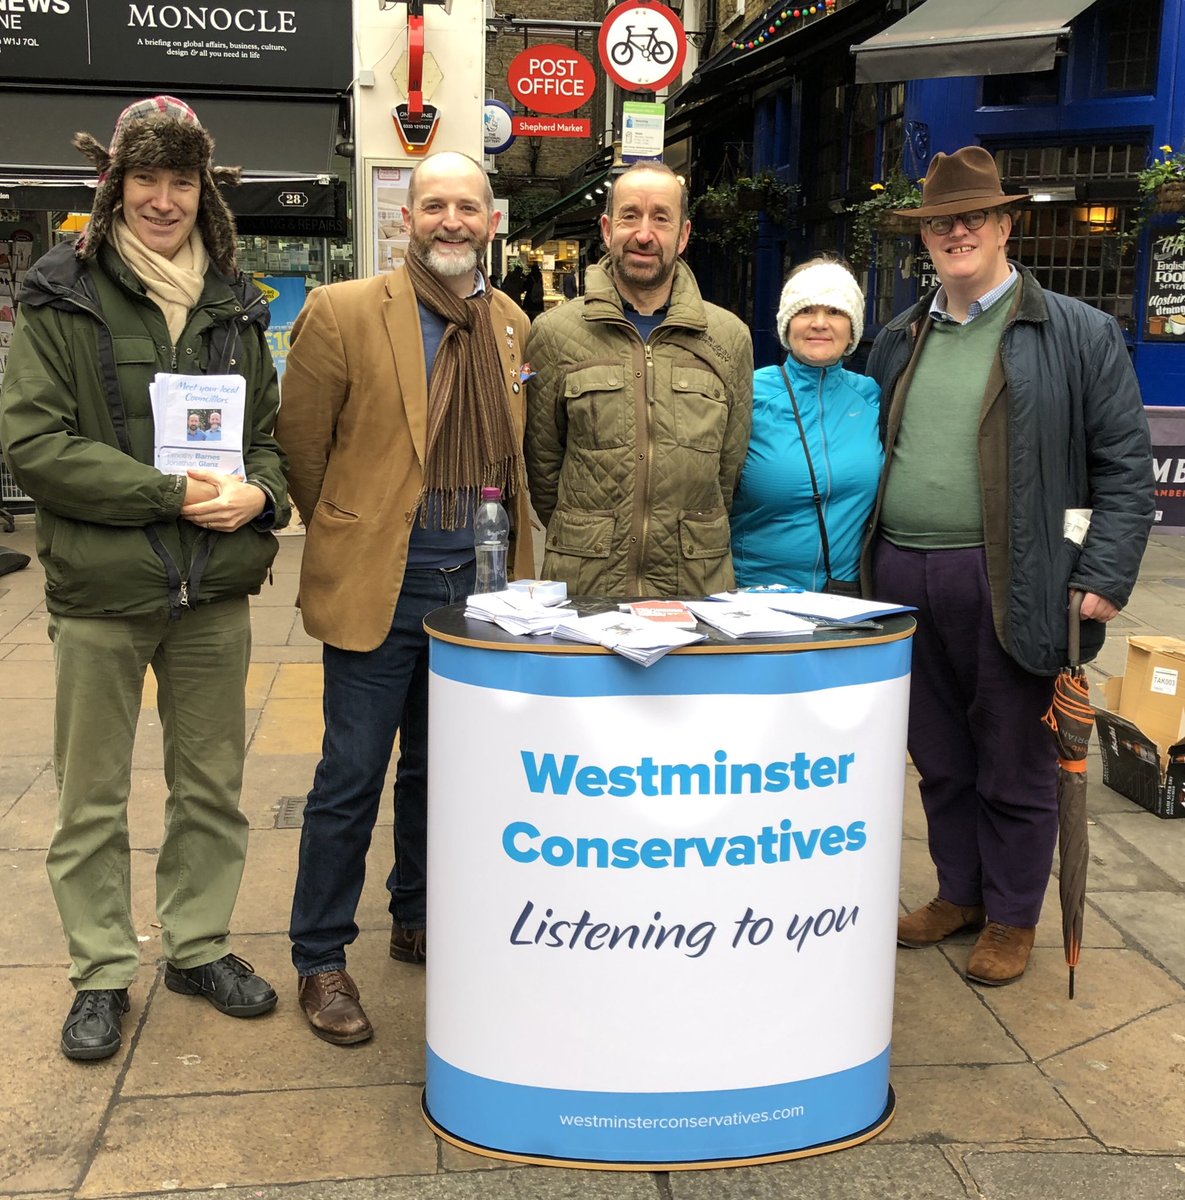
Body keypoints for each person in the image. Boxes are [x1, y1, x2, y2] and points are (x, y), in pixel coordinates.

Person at [0, 95, 289, 1061]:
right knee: (91, 796)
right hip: (104, 590)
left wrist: (262, 499)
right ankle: (100, 972)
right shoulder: (62, 293)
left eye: (181, 180)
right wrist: (166, 493)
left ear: (203, 189)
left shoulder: (239, 304)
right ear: (114, 184)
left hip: (211, 592)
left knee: (211, 786)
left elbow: (267, 443)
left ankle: (198, 946)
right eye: (146, 179)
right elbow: (35, 444)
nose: (164, 199)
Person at [863, 146, 1155, 985]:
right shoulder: (900, 335)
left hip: (1015, 575)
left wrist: (1101, 573)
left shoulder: (1077, 331)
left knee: (1015, 758)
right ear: (924, 237)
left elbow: (1123, 466)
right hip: (903, 577)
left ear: (1003, 225)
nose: (956, 232)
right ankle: (961, 892)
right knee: (941, 754)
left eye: (973, 218)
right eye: (939, 222)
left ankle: (1014, 916)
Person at [276, 150, 534, 1045]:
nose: (452, 220)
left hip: (477, 587)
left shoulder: (506, 321)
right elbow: (301, 442)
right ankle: (321, 958)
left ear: (490, 221)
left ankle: (417, 915)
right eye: (435, 206)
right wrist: (352, 524)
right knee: (350, 776)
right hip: (381, 585)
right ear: (408, 219)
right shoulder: (345, 309)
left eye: (469, 206)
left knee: (441, 771)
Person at [526, 161, 753, 596]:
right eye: (630, 215)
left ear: (683, 236)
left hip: (693, 583)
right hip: (585, 584)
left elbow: (727, 471)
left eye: (661, 218)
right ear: (608, 229)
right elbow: (543, 465)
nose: (644, 234)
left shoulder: (729, 337)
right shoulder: (555, 333)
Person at [730, 257, 881, 590]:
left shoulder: (871, 398)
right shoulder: (747, 396)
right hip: (754, 604)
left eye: (836, 312)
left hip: (846, 606)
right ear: (786, 324)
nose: (820, 323)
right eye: (805, 310)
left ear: (853, 327)